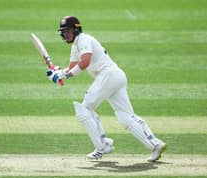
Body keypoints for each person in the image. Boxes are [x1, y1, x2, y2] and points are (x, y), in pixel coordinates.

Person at [47, 16, 166, 162]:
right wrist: (58, 73)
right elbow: (72, 67)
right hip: (115, 76)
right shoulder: (75, 46)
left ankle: (102, 145)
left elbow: (84, 63)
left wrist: (64, 75)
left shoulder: (84, 40)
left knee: (85, 109)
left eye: (68, 31)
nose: (65, 34)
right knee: (125, 117)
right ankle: (156, 145)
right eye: (63, 32)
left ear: (76, 29)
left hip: (108, 75)